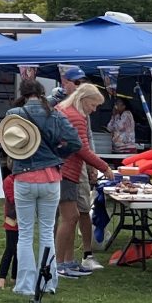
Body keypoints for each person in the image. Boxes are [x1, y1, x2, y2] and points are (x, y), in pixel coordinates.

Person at [11, 78, 76, 297]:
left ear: (23, 93)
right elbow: (75, 142)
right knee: (47, 232)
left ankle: (25, 285)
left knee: (25, 234)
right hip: (51, 178)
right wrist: (58, 154)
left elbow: (8, 144)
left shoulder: (14, 114)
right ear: (41, 92)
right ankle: (48, 283)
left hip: (24, 177)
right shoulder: (55, 114)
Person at [53, 84, 118, 281]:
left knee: (71, 217)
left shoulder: (64, 111)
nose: (94, 110)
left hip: (61, 170)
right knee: (70, 217)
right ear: (83, 99)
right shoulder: (77, 117)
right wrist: (103, 167)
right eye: (93, 105)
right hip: (67, 172)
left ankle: (68, 260)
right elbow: (82, 148)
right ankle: (59, 264)